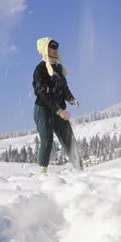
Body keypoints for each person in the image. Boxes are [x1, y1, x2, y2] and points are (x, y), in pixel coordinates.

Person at [32, 37, 82, 173]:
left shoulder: (59, 68)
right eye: (52, 46)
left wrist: (71, 99)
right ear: (45, 49)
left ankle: (80, 171)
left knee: (69, 138)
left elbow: (64, 88)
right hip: (43, 109)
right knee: (47, 139)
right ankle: (42, 174)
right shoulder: (40, 69)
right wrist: (59, 111)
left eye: (56, 46)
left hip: (59, 109)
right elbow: (43, 94)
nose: (55, 49)